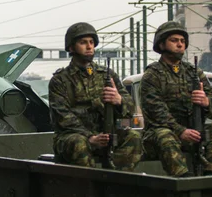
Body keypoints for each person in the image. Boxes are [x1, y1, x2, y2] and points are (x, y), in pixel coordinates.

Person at [141, 21, 212, 177]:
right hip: (161, 132)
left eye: (182, 41)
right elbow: (156, 112)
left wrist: (206, 101)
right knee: (165, 136)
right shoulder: (153, 75)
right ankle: (183, 179)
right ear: (162, 44)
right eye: (174, 40)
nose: (179, 44)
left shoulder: (193, 72)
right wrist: (181, 131)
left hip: (194, 128)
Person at [48, 22, 142, 170]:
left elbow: (129, 110)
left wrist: (119, 100)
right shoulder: (60, 80)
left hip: (106, 132)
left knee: (133, 136)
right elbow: (63, 117)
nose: (89, 46)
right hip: (73, 136)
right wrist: (90, 137)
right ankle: (89, 189)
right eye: (83, 43)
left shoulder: (107, 75)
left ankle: (119, 182)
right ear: (71, 48)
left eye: (91, 42)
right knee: (79, 142)